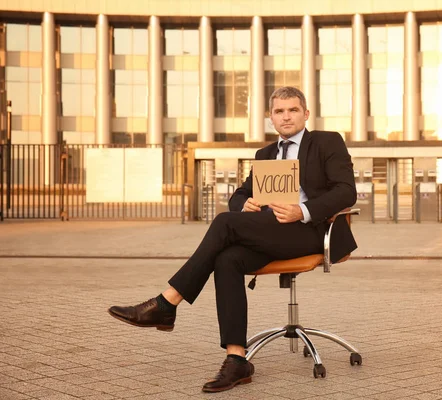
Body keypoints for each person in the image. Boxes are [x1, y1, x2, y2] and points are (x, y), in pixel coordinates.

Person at [108, 86, 357, 393]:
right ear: (270, 118)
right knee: (227, 259)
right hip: (272, 231)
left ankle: (167, 302)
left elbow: (346, 191)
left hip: (311, 231)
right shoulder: (266, 154)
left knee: (225, 223)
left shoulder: (326, 142)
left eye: (293, 110)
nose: (286, 116)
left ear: (306, 114)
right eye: (279, 111)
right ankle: (237, 359)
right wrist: (245, 204)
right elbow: (240, 194)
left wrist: (301, 211)